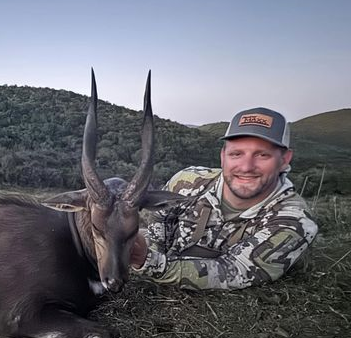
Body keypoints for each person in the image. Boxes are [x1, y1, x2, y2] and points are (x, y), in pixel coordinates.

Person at [130, 107, 318, 290]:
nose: (246, 167)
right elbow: (159, 219)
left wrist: (147, 261)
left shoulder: (294, 221)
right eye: (236, 154)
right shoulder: (187, 181)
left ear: (285, 159)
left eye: (262, 155)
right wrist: (150, 248)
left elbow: (235, 271)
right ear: (222, 156)